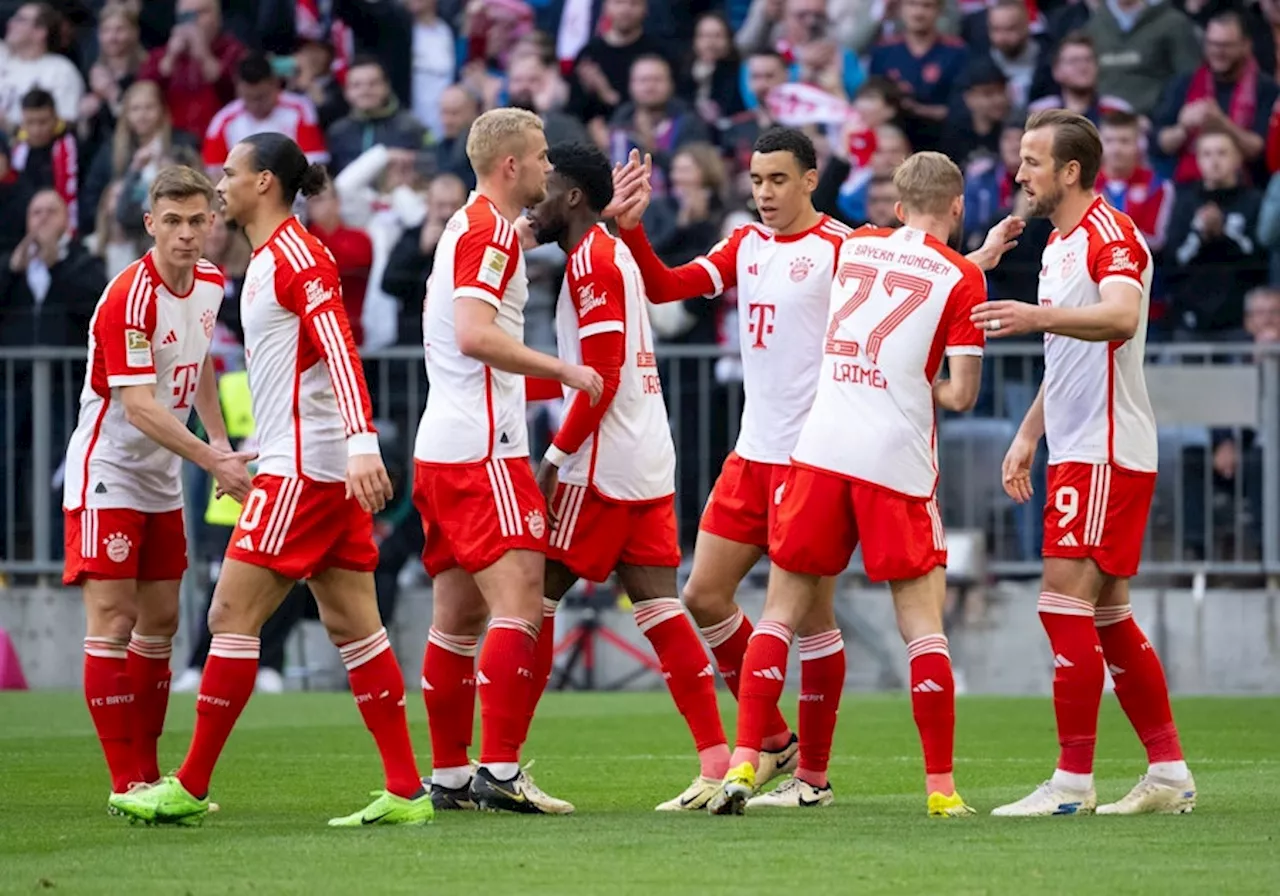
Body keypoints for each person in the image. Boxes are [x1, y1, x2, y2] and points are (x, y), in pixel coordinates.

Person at [609, 127, 1022, 809]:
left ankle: (812, 776)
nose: (763, 193)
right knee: (704, 596)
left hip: (817, 455)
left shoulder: (842, 244)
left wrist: (972, 258)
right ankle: (774, 741)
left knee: (809, 623)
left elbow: (911, 277)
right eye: (755, 180)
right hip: (753, 456)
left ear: (809, 178)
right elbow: (664, 287)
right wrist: (632, 231)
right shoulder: (744, 244)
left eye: (777, 180)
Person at [109, 134, 430, 828]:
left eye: (229, 172)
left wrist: (361, 444)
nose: (218, 184)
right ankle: (406, 789)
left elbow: (341, 349)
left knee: (229, 616)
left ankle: (190, 784)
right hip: (304, 462)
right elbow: (303, 372)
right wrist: (255, 444)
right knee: (356, 628)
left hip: (305, 474)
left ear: (263, 183)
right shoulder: (266, 260)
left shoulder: (297, 257)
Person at [707, 151, 986, 818]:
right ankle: (941, 789)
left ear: (895, 207)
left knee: (778, 613)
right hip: (894, 463)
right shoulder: (964, 277)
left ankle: (746, 758)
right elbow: (962, 395)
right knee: (922, 627)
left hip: (820, 451)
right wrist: (929, 383)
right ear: (956, 207)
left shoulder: (856, 245)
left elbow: (894, 276)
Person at [971, 108, 1195, 816]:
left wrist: (1034, 318)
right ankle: (1167, 774)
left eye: (1032, 161)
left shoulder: (1111, 233)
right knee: (1108, 619)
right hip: (1076, 448)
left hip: (1104, 450)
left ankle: (1072, 783)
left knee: (1059, 603)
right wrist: (1028, 433)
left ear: (1070, 171)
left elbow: (1121, 317)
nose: (1019, 174)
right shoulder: (1058, 244)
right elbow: (1067, 355)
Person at [521, 141, 728, 812]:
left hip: (600, 463)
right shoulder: (602, 250)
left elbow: (600, 377)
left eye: (547, 188)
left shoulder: (591, 265)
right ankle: (721, 761)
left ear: (574, 197)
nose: (537, 199)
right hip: (644, 452)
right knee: (661, 609)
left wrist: (553, 459)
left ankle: (499, 763)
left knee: (532, 599)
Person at [413, 108, 601, 814]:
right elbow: (473, 333)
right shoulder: (487, 233)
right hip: (484, 450)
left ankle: (452, 776)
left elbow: (489, 271)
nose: (551, 168)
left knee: (456, 617)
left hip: (445, 446)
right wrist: (565, 370)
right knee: (523, 595)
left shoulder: (477, 228)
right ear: (512, 166)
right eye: (543, 157)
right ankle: (499, 768)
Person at [62, 164, 251, 811]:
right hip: (110, 470)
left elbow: (196, 368)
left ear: (213, 224)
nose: (187, 235)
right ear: (150, 225)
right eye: (172, 221)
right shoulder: (129, 297)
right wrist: (213, 463)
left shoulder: (213, 285)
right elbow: (139, 406)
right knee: (113, 619)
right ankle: (127, 781)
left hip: (162, 475)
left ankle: (149, 774)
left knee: (163, 623)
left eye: (199, 220)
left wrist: (221, 441)